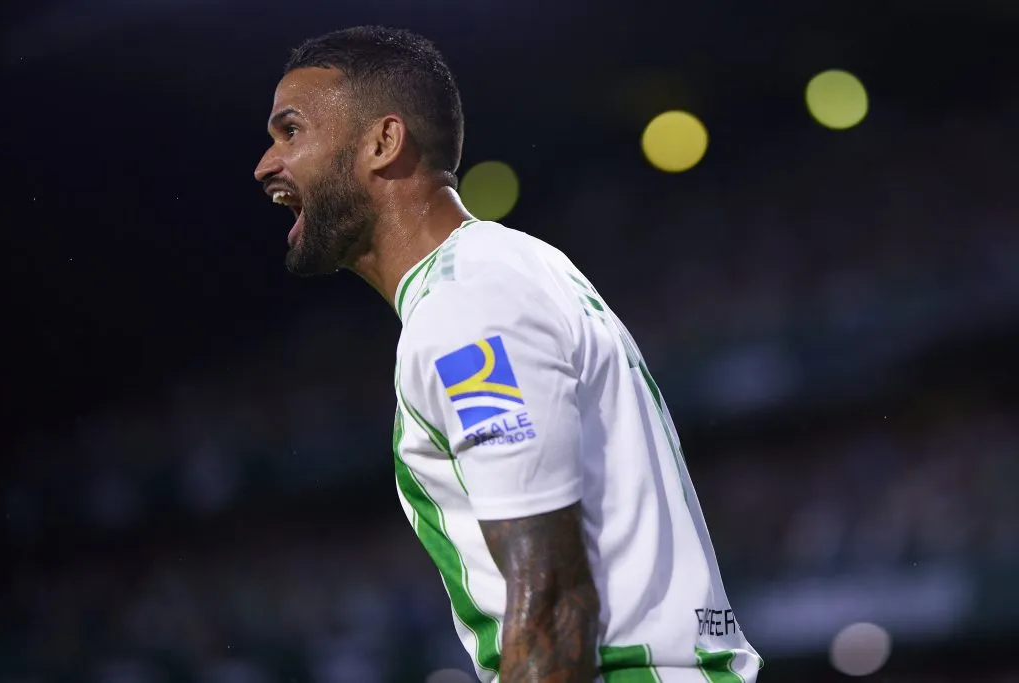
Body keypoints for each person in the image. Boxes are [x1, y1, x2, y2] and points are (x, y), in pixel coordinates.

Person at [253, 25, 761, 683]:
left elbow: (551, 603)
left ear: (383, 142)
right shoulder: (507, 267)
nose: (266, 164)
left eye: (290, 131)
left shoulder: (467, 304)